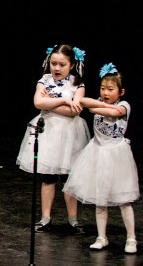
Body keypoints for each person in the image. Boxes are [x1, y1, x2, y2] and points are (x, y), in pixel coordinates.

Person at [64, 62, 138, 254]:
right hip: (97, 153)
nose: (105, 92)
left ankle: (131, 238)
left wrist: (98, 107)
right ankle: (101, 237)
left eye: (110, 89)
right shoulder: (98, 101)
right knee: (100, 199)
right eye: (103, 88)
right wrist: (99, 104)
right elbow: (85, 102)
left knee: (124, 200)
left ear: (121, 92)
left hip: (116, 155)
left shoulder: (124, 105)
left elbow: (113, 112)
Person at [16, 44, 91, 233]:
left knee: (69, 179)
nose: (56, 68)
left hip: (70, 135)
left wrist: (50, 103)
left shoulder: (77, 84)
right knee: (48, 177)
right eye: (53, 63)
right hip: (48, 132)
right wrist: (64, 100)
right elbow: (38, 102)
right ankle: (45, 218)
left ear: (71, 65)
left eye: (62, 64)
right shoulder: (44, 81)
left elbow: (75, 111)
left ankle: (73, 220)